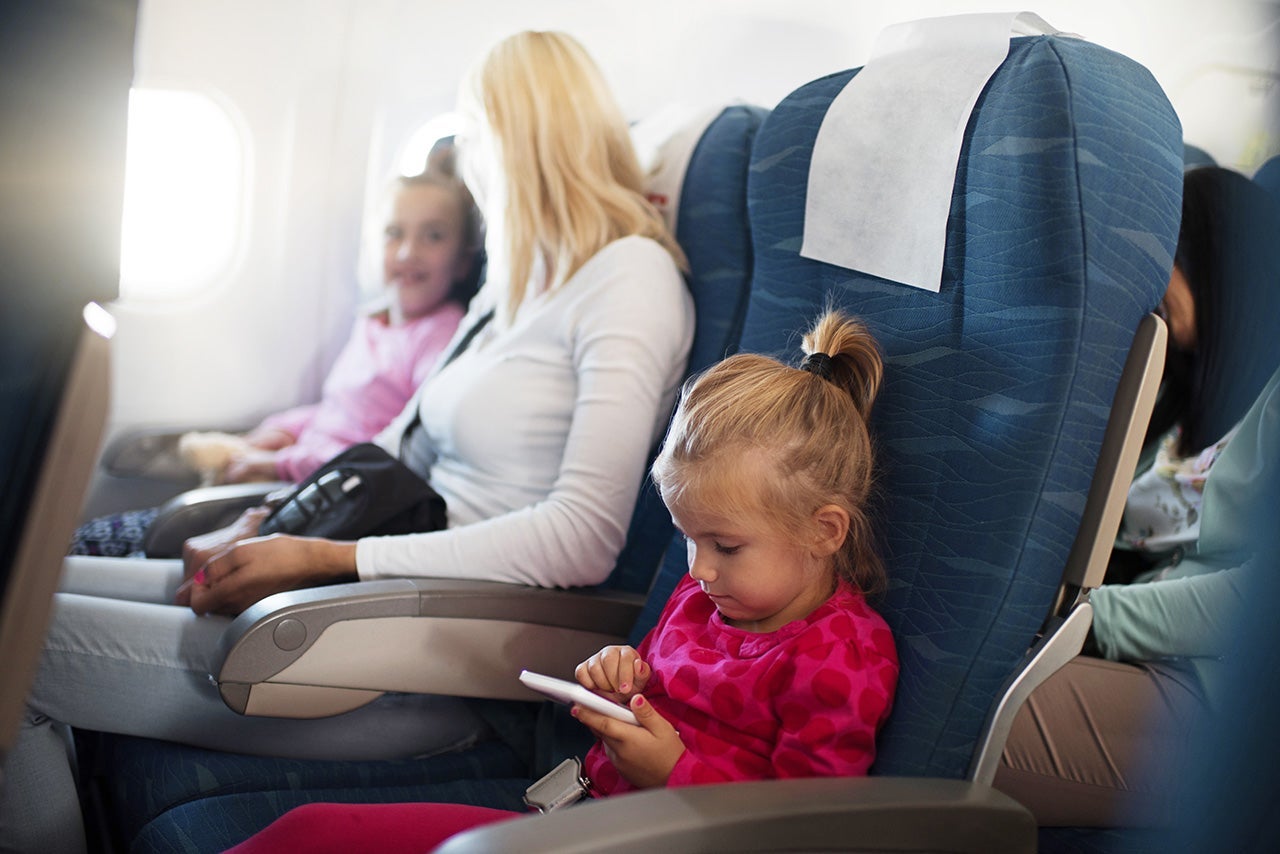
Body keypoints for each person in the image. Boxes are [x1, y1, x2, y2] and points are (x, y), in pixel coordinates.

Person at [0, 30, 695, 854]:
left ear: (515, 140)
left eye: (474, 135)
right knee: (23, 581)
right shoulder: (520, 283)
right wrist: (272, 523)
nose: (467, 162)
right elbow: (396, 446)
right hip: (369, 583)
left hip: (425, 643)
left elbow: (583, 538)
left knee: (18, 657)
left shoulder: (630, 281)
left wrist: (327, 559)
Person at [223, 308, 901, 853]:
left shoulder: (840, 655)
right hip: (591, 816)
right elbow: (658, 684)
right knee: (312, 832)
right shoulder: (707, 596)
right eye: (688, 539)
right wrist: (623, 675)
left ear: (825, 531)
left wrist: (674, 774)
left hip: (664, 836)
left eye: (724, 544)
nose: (698, 568)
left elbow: (810, 828)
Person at [994, 166, 1280, 828]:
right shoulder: (1181, 392)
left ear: (1218, 266)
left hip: (1217, 691)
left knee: (961, 721)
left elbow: (1255, 597)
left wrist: (1092, 621)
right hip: (1142, 649)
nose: (1152, 283)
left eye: (1167, 260)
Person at [66, 165, 481, 557]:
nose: (409, 252)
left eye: (433, 236)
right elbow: (336, 412)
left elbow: (394, 450)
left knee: (85, 544)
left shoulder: (440, 338)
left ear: (463, 260)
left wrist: (279, 462)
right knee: (84, 541)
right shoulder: (376, 322)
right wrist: (279, 430)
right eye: (394, 233)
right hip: (304, 472)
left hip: (331, 494)